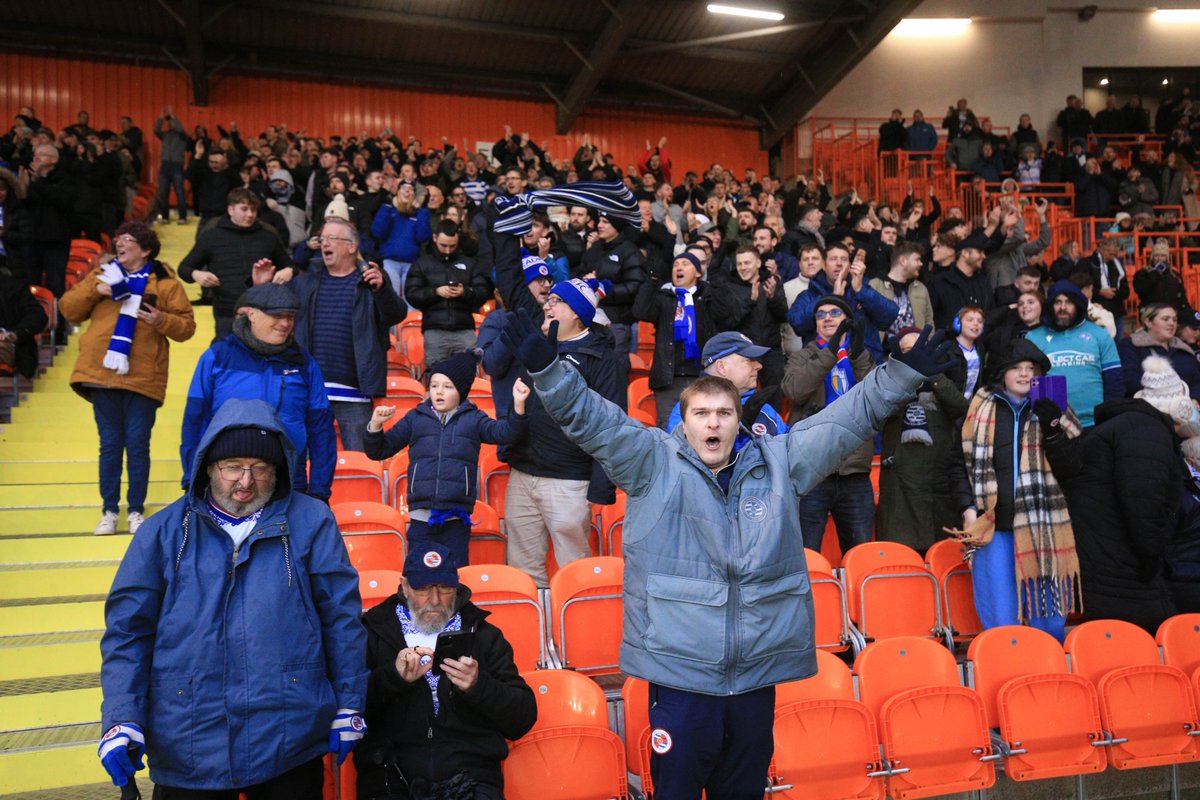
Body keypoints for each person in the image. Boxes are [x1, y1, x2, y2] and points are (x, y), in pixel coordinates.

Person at [496, 305, 957, 800]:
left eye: (723, 414)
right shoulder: (651, 460)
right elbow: (592, 419)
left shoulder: (782, 462)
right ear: (685, 422)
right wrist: (549, 371)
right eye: (702, 414)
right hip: (681, 677)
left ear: (740, 421)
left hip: (754, 677)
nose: (713, 424)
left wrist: (902, 374)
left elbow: (847, 418)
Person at [98, 399, 369, 797]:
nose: (246, 481)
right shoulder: (161, 532)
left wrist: (349, 703)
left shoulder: (311, 521)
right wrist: (122, 716)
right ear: (208, 467)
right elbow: (128, 632)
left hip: (287, 738)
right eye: (232, 468)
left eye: (260, 469)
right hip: (188, 741)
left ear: (277, 471)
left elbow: (341, 619)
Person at [355, 542, 537, 800]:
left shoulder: (485, 635)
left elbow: (522, 719)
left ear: (457, 587)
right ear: (404, 586)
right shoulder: (370, 632)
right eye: (423, 589)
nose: (435, 600)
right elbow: (348, 710)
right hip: (389, 779)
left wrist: (478, 685)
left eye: (445, 588)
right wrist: (392, 679)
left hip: (471, 779)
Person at [60, 222, 196, 535]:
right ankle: (108, 510)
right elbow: (68, 309)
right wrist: (96, 290)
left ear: (145, 249)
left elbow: (186, 327)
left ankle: (135, 509)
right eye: (119, 240)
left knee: (137, 445)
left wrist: (161, 319)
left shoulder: (165, 283)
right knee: (109, 445)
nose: (120, 244)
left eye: (128, 240)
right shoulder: (102, 275)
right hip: (101, 373)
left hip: (143, 376)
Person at [947, 339, 1082, 642]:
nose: (1024, 375)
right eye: (1016, 369)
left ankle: (1048, 674)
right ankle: (1007, 677)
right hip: (995, 529)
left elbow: (1074, 468)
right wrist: (968, 509)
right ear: (1002, 374)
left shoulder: (1056, 408)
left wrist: (1052, 428)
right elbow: (958, 464)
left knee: (1048, 622)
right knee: (1000, 621)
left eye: (1030, 369)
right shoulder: (978, 409)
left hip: (1043, 527)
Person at [1044, 355, 1188, 631]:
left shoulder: (1126, 426)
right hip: (1120, 561)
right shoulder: (1146, 431)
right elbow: (1143, 502)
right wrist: (1151, 556)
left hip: (1104, 552)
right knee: (1135, 648)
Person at [255, 216, 408, 451]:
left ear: (351, 246)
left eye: (332, 238)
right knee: (301, 464)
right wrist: (263, 286)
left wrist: (382, 289)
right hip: (310, 390)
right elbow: (274, 309)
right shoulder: (306, 280)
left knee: (360, 463)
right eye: (322, 238)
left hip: (354, 394)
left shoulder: (371, 281)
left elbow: (396, 315)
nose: (324, 243)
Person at [363, 352, 530, 568]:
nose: (439, 391)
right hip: (422, 517)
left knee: (454, 577)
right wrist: (375, 425)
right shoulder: (416, 418)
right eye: (434, 385)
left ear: (461, 391)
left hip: (456, 517)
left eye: (447, 386)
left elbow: (506, 433)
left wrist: (518, 405)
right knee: (419, 577)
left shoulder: (474, 418)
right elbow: (379, 450)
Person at [181, 282, 336, 501]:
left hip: (290, 482)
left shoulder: (304, 363)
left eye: (290, 317)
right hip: (228, 482)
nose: (285, 324)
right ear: (251, 314)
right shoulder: (217, 356)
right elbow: (195, 421)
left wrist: (320, 490)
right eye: (277, 315)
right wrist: (192, 477)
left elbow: (321, 430)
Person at [783, 297, 877, 552]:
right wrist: (829, 352)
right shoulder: (802, 356)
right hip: (813, 470)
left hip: (853, 471)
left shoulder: (861, 355)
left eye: (835, 312)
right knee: (806, 553)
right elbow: (795, 391)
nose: (827, 317)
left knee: (861, 553)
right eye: (820, 314)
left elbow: (878, 398)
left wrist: (856, 355)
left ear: (846, 320)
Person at [877, 327, 969, 553]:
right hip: (901, 488)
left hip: (937, 485)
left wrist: (934, 375)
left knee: (941, 553)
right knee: (901, 555)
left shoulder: (942, 382)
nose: (915, 355)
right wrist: (902, 377)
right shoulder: (885, 382)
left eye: (920, 349)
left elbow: (960, 408)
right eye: (908, 350)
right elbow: (880, 410)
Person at [178, 188, 293, 340]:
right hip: (226, 307)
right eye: (244, 209)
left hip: (262, 308)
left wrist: (288, 271)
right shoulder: (212, 235)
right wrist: (197, 274)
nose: (250, 214)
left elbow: (290, 265)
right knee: (225, 354)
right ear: (230, 209)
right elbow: (184, 268)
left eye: (253, 210)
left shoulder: (268, 235)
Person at [633, 250, 718, 427]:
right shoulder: (664, 298)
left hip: (700, 377)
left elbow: (726, 315)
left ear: (697, 273)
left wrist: (711, 287)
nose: (678, 268)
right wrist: (652, 280)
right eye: (675, 265)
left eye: (685, 264)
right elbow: (640, 311)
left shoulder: (707, 297)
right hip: (668, 379)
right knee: (668, 428)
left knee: (699, 428)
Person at [1025, 280, 1124, 428]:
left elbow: (1114, 380)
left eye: (1069, 302)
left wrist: (1108, 419)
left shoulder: (1100, 334)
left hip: (1095, 423)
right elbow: (1026, 382)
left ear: (1078, 304)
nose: (1063, 308)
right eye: (1057, 302)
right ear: (1050, 306)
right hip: (1051, 425)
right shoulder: (1033, 337)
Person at [787, 241, 898, 363]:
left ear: (850, 264)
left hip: (864, 366)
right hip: (823, 366)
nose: (839, 264)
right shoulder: (809, 295)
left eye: (844, 259)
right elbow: (798, 325)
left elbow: (889, 317)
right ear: (823, 265)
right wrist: (832, 298)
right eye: (833, 259)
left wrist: (861, 290)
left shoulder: (862, 288)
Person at [665, 331, 787, 440]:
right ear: (721, 367)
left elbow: (788, 450)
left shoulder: (762, 408)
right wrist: (741, 427)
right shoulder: (689, 408)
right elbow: (687, 456)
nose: (759, 366)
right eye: (749, 360)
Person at [405, 221, 491, 364]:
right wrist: (436, 292)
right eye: (443, 245)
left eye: (452, 246)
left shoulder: (469, 264)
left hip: (464, 329)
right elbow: (412, 294)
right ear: (434, 238)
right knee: (435, 377)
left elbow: (483, 292)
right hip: (435, 330)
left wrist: (465, 292)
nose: (447, 250)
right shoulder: (422, 264)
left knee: (469, 379)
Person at [710, 246, 790, 399]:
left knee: (774, 400)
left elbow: (783, 316)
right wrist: (750, 302)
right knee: (742, 401)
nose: (742, 268)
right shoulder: (730, 287)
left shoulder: (772, 282)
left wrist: (772, 298)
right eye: (739, 264)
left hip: (771, 352)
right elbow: (727, 324)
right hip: (744, 354)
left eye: (747, 263)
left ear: (758, 263)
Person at [1118, 303, 1200, 400]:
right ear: (1148, 322)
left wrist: (1195, 399)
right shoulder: (1132, 345)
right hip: (1145, 408)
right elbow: (1130, 380)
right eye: (1165, 319)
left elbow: (1196, 381)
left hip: (1185, 409)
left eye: (1174, 320)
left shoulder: (1184, 349)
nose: (1171, 323)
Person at [372, 180, 432, 300]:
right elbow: (378, 231)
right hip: (390, 262)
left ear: (414, 195)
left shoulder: (418, 213)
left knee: (411, 300)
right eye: (404, 188)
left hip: (411, 264)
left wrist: (423, 208)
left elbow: (422, 236)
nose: (407, 190)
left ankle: (411, 320)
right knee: (391, 298)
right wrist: (387, 204)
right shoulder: (389, 210)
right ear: (397, 192)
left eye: (411, 189)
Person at [869, 241, 932, 338]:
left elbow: (929, 321)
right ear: (903, 260)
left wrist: (927, 346)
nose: (921, 264)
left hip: (915, 350)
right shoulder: (875, 285)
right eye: (917, 259)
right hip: (883, 351)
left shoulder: (921, 288)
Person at [1085, 237, 1128, 337]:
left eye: (1114, 254)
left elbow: (1126, 290)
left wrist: (1115, 293)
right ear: (1102, 249)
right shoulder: (1088, 263)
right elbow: (1083, 286)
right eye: (1109, 253)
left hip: (1117, 311)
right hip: (1097, 310)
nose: (1111, 257)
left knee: (1118, 344)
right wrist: (1100, 292)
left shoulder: (1118, 266)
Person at [153, 106, 189, 223]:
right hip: (165, 165)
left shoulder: (182, 135)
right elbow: (156, 130)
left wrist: (173, 116)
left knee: (179, 192)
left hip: (177, 165)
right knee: (163, 192)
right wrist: (161, 119)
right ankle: (165, 217)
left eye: (172, 122)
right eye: (169, 123)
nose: (170, 124)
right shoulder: (165, 135)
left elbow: (180, 128)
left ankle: (182, 217)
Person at [954, 305, 986, 398]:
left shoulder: (980, 349)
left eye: (980, 321)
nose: (976, 323)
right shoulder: (948, 348)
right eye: (970, 320)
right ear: (957, 323)